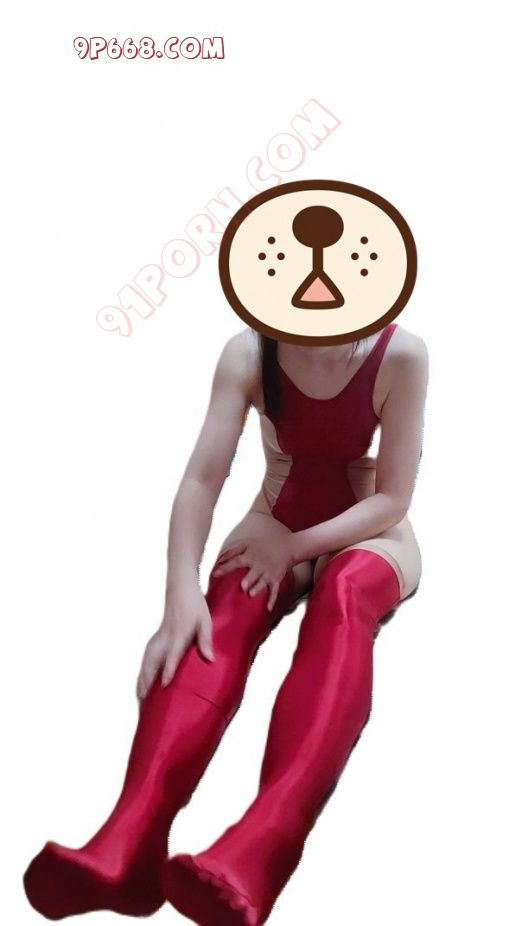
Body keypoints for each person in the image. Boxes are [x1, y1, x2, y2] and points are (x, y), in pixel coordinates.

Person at [23, 319, 428, 924]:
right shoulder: (248, 351)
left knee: (343, 596)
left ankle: (261, 850)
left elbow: (392, 499)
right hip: (278, 513)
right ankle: (128, 843)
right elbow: (202, 476)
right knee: (227, 604)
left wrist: (294, 550)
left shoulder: (403, 353)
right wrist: (180, 594)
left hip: (370, 527)